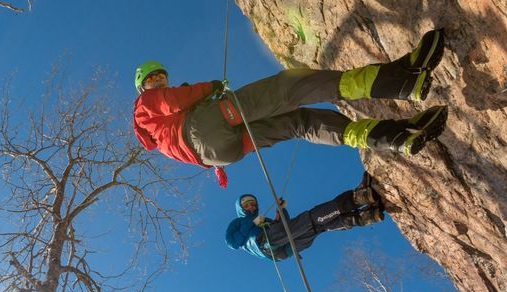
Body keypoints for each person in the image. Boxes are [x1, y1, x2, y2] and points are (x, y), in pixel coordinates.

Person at [133, 29, 448, 186]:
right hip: (204, 127)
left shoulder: (159, 138)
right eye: (152, 79)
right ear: (142, 86)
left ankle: (395, 136)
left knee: (298, 122)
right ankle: (401, 80)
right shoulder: (144, 106)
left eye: (162, 76)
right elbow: (172, 100)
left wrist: (219, 161)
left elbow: (193, 143)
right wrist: (209, 88)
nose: (159, 81)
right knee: (288, 88)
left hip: (220, 155)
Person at [225, 174, 384, 260]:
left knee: (317, 227)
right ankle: (357, 198)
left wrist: (281, 210)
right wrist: (251, 222)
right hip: (265, 242)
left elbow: (284, 225)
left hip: (283, 249)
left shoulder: (262, 221)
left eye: (253, 204)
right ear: (241, 208)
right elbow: (232, 243)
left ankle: (364, 217)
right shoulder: (238, 222)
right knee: (310, 218)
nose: (251, 207)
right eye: (246, 205)